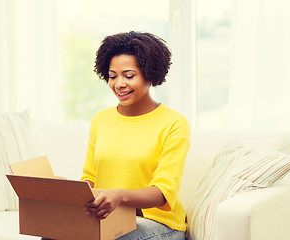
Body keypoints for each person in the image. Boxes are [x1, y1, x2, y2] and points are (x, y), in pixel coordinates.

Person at [42, 31, 190, 240]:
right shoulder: (101, 120)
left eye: (129, 76)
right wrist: (69, 190)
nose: (119, 84)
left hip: (159, 224)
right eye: (112, 76)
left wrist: (119, 196)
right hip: (110, 218)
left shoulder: (174, 123)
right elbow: (91, 179)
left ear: (150, 73)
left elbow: (162, 193)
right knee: (54, 233)